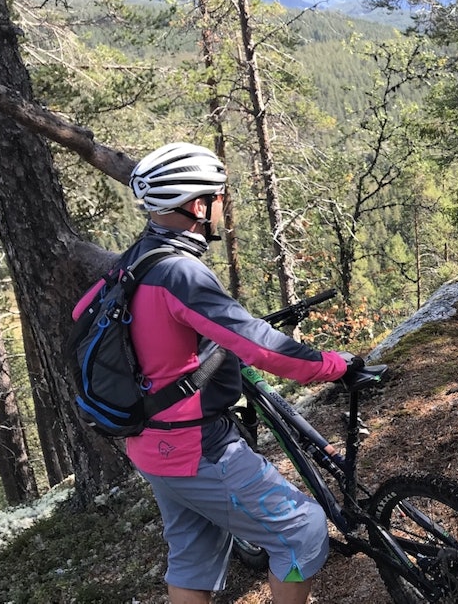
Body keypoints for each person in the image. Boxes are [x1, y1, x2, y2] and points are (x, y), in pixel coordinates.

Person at [72, 142, 353, 604]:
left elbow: (88, 316)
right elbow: (261, 346)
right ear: (197, 205)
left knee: (192, 559)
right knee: (301, 532)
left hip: (149, 443)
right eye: (220, 195)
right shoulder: (181, 273)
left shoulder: (135, 261)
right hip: (196, 448)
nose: (224, 204)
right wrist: (335, 364)